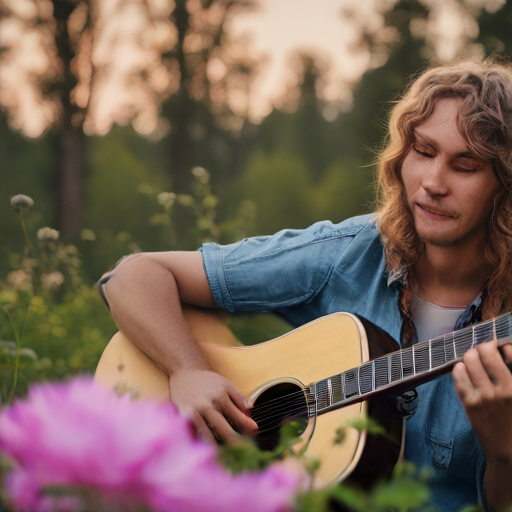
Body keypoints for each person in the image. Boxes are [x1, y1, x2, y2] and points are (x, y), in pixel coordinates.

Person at [100, 59, 512, 511]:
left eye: (465, 165)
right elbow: (133, 276)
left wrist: (503, 451)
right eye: (424, 151)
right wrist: (189, 371)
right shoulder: (348, 254)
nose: (432, 183)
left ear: (504, 185)